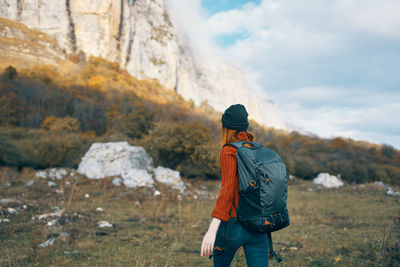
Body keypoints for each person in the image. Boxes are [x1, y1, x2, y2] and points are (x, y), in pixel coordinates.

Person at [201, 104, 270, 267]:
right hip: (259, 226)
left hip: (233, 227)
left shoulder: (229, 151)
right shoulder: (257, 148)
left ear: (226, 127)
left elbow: (228, 189)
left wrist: (212, 229)